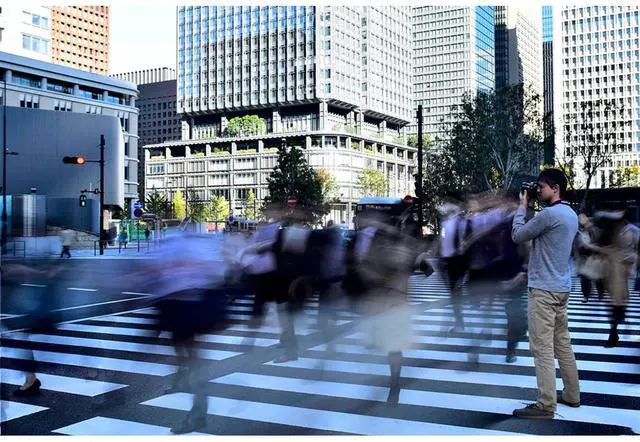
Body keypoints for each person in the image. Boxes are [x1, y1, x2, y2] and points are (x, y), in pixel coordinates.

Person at [510, 168, 580, 419]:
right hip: (561, 287)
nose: (538, 190)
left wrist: (522, 206)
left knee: (542, 347)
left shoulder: (549, 215)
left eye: (541, 187)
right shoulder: (570, 214)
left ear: (555, 188)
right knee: (562, 343)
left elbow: (518, 235)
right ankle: (572, 394)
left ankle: (546, 403)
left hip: (543, 290)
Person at [588, 211, 638, 347]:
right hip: (609, 272)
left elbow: (634, 251)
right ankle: (616, 329)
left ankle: (614, 333)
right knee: (614, 305)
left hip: (619, 273)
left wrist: (633, 264)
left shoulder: (632, 230)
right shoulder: (612, 231)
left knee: (617, 304)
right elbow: (606, 248)